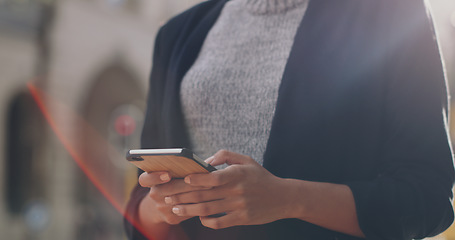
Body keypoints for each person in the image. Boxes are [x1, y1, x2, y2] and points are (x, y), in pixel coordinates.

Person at [124, 0, 455, 239]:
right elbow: (141, 202)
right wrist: (164, 207)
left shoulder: (393, 12)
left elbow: (427, 199)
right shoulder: (177, 34)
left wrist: (287, 198)